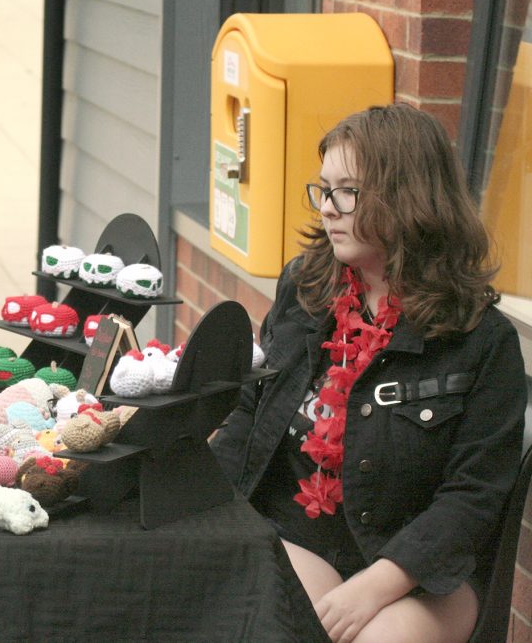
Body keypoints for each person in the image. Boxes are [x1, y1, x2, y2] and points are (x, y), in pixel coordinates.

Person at [211, 103, 526, 642]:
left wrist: (376, 586)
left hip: (420, 572)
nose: (328, 209)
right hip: (299, 535)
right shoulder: (306, 290)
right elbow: (250, 410)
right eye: (323, 189)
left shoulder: (481, 340)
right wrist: (197, 503)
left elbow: (473, 495)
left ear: (408, 199)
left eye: (348, 192)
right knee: (284, 626)